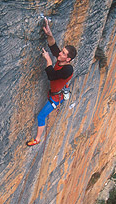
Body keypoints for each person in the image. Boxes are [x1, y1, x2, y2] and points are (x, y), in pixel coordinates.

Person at [27, 17, 77, 146]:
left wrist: (48, 60)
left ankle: (37, 139)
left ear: (68, 59)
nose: (60, 53)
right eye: (62, 51)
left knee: (41, 116)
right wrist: (49, 34)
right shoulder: (62, 59)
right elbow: (53, 46)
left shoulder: (68, 69)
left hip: (56, 98)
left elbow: (52, 76)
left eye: (64, 53)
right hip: (55, 91)